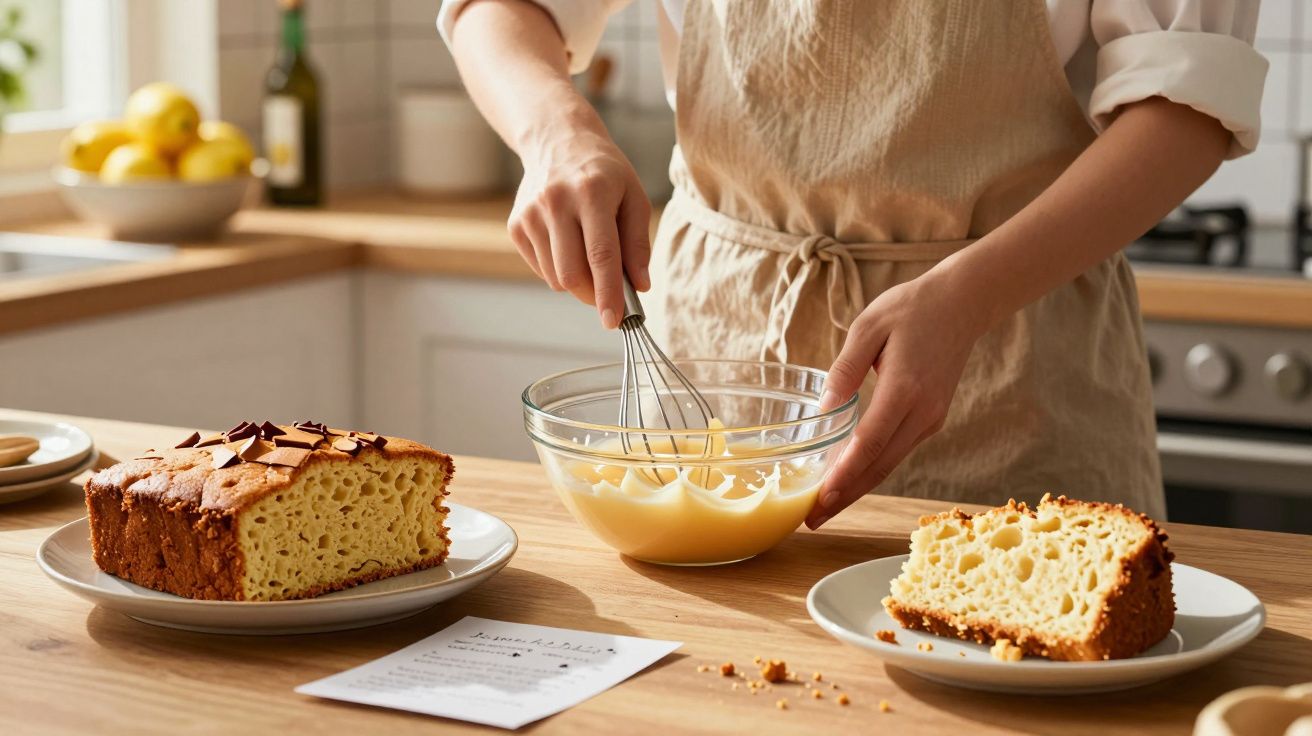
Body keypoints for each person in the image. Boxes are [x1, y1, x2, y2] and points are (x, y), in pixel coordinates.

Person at [439, 0, 1266, 527]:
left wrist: (971, 295)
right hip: (717, 356)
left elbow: (1184, 104)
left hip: (1016, 364)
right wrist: (556, 133)